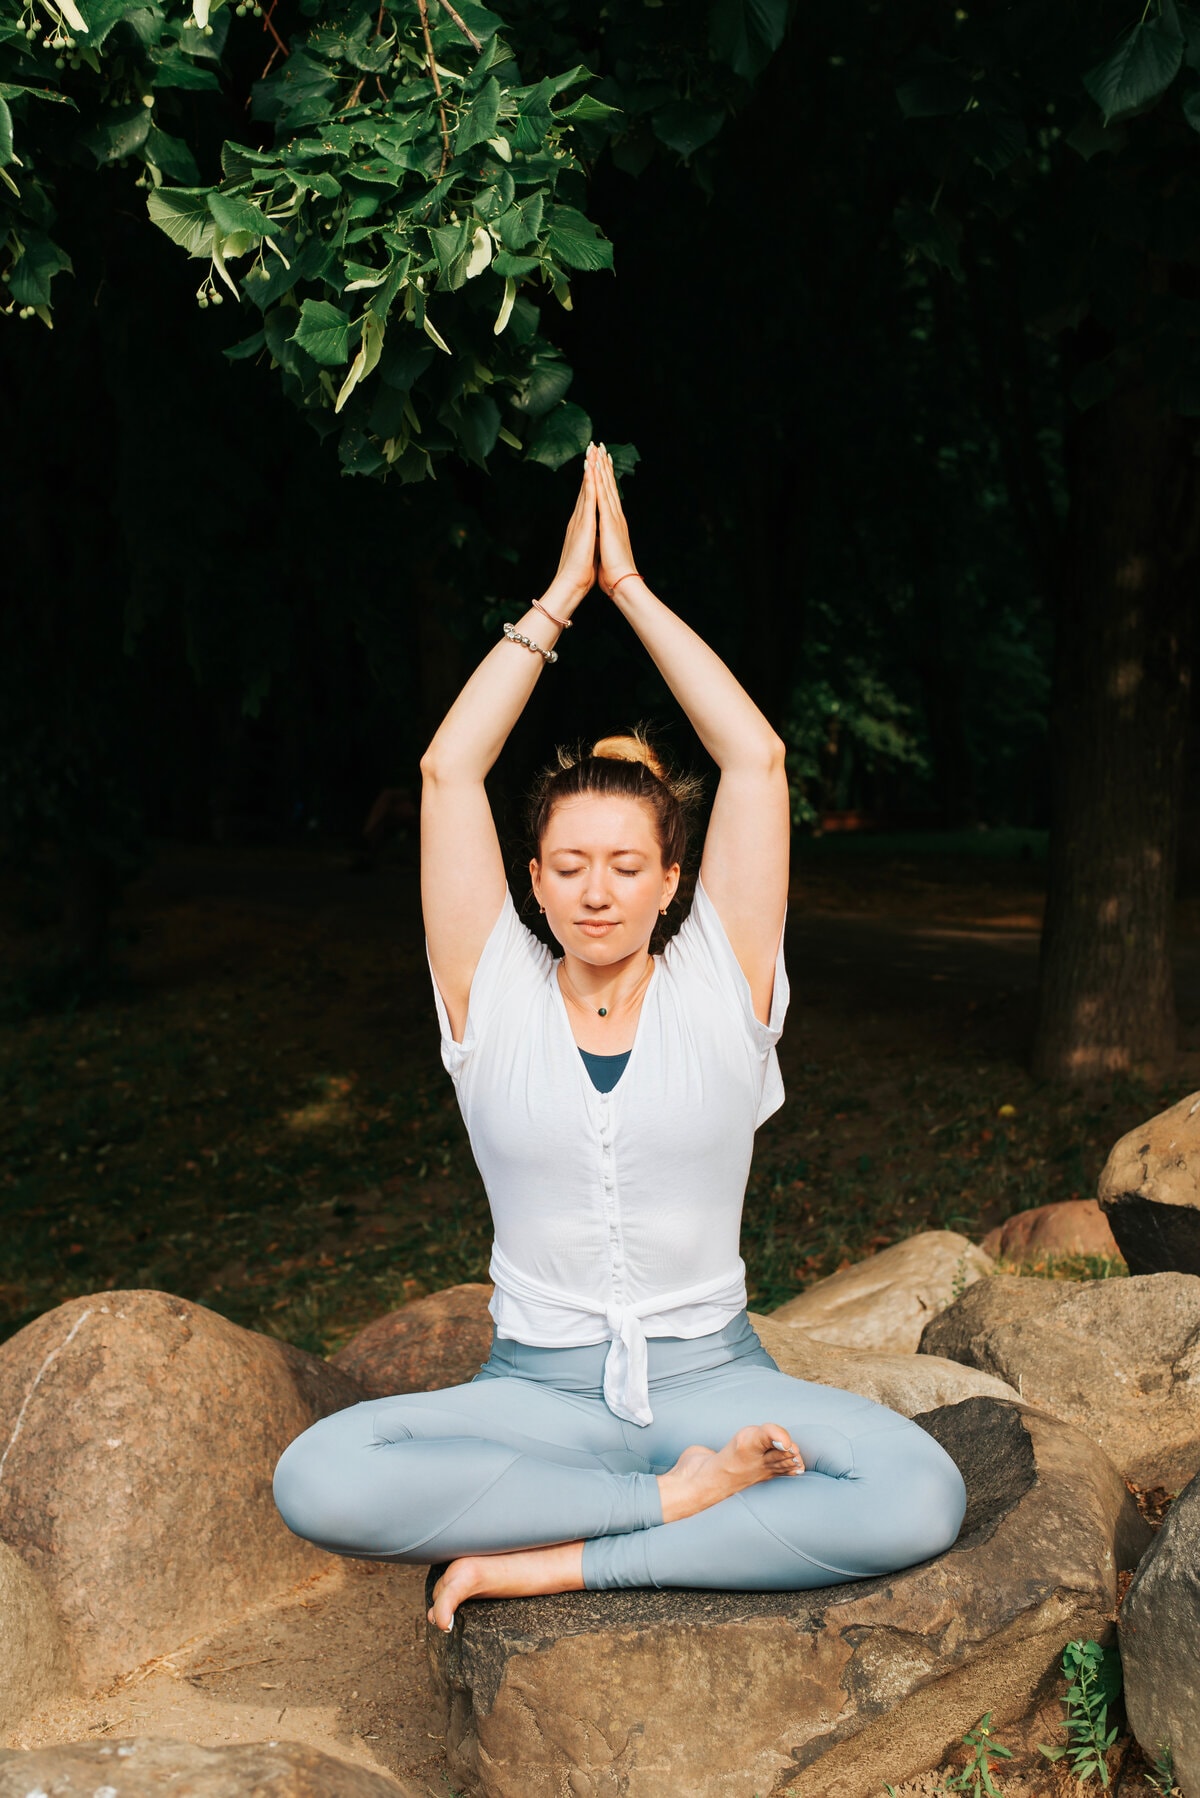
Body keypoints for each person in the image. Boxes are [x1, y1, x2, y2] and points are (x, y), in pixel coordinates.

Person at [272, 443, 967, 1631]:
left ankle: (568, 1556)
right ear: (532, 882)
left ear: (671, 880)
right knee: (316, 1475)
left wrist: (631, 590)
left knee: (919, 1493)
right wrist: (555, 602)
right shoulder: (489, 991)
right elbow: (448, 770)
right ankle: (667, 1505)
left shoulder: (721, 980)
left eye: (627, 866)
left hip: (714, 1376)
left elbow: (754, 758)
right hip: (533, 1395)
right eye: (571, 866)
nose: (598, 892)